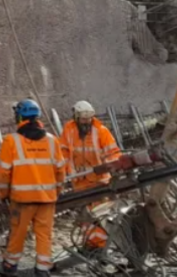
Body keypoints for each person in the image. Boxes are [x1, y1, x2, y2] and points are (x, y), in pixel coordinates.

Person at [0, 99, 66, 277]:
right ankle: (42, 269)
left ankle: (10, 266)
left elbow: (3, 174)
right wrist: (56, 192)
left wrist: (3, 195)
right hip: (47, 199)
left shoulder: (11, 141)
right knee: (44, 234)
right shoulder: (52, 141)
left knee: (18, 233)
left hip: (22, 199)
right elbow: (60, 171)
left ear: (19, 117)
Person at [60, 100, 122, 254]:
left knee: (100, 213)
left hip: (99, 180)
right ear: (76, 117)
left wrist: (110, 165)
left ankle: (100, 245)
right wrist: (65, 170)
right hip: (79, 180)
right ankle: (89, 243)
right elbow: (64, 151)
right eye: (83, 119)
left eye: (88, 119)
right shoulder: (69, 129)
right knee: (85, 214)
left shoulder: (101, 131)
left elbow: (113, 152)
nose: (86, 122)